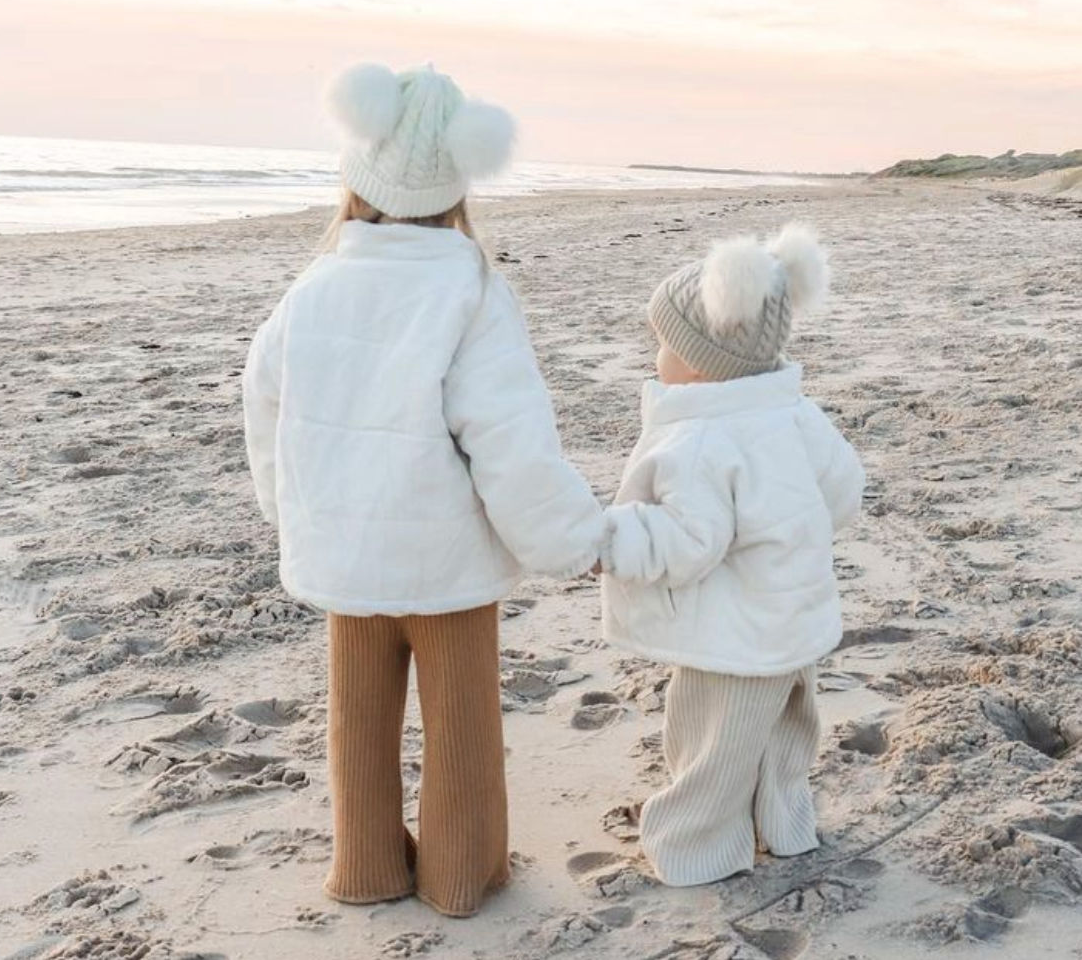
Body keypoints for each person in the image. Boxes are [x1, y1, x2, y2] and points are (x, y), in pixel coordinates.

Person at [242, 62, 603, 917]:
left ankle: (365, 867)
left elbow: (265, 404)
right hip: (444, 561)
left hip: (346, 552)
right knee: (463, 724)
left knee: (358, 721)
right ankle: (459, 874)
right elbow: (509, 441)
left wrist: (292, 508)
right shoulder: (471, 288)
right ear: (457, 191)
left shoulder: (315, 286)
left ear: (355, 180)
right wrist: (567, 539)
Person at [599, 223, 865, 886]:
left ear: (699, 361)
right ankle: (786, 827)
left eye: (663, 343)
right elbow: (843, 490)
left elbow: (688, 543)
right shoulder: (794, 411)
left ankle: (696, 847)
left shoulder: (701, 439)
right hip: (794, 620)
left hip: (735, 634)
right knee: (782, 738)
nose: (657, 356)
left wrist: (611, 541)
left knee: (710, 744)